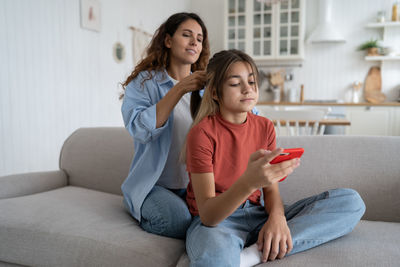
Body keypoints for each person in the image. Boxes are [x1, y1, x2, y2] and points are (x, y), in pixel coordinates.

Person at [184, 49, 366, 266]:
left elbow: (271, 192)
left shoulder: (264, 127)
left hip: (258, 216)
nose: (248, 89)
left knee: (351, 202)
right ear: (215, 92)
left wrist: (277, 219)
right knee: (213, 260)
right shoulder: (202, 133)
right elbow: (208, 216)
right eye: (235, 83)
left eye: (252, 82)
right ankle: (261, 250)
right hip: (218, 223)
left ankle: (255, 253)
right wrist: (249, 182)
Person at [120, 12, 210, 239]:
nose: (194, 43)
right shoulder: (144, 83)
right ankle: (141, 207)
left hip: (197, 185)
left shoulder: (208, 88)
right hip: (155, 187)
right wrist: (179, 89)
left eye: (199, 39)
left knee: (219, 217)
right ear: (168, 41)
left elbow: (244, 119)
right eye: (187, 35)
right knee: (177, 220)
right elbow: (140, 130)